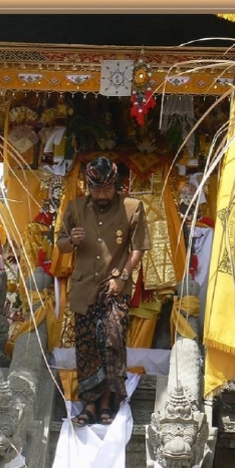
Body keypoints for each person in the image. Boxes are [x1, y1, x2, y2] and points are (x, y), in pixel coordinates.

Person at [56, 156, 151, 426]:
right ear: (88, 187)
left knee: (113, 341)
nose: (101, 195)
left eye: (107, 189)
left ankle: (109, 401)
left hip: (115, 287)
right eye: (96, 190)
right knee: (86, 347)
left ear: (116, 186)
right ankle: (89, 404)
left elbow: (139, 248)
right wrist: (70, 241)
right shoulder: (75, 207)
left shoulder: (132, 208)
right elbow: (60, 244)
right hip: (84, 288)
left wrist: (122, 276)